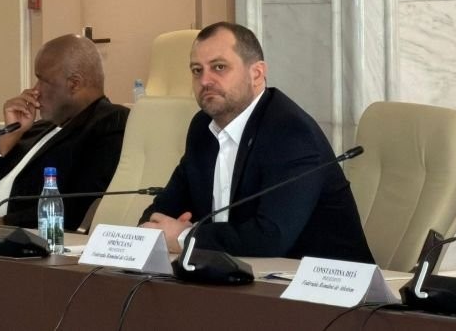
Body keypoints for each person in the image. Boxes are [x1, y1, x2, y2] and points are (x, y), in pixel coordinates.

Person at [141, 22, 373, 262]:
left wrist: (184, 237)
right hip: (238, 272)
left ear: (257, 74)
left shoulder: (290, 132)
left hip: (321, 279)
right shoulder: (202, 127)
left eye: (219, 67)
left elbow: (271, 237)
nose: (205, 80)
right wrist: (152, 229)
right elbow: (162, 210)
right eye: (197, 70)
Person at [0, 34, 128, 230]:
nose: (34, 91)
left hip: (24, 240)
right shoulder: (39, 127)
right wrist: (7, 141)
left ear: (74, 84)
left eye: (42, 80)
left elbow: (77, 205)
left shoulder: (110, 122)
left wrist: (2, 225)